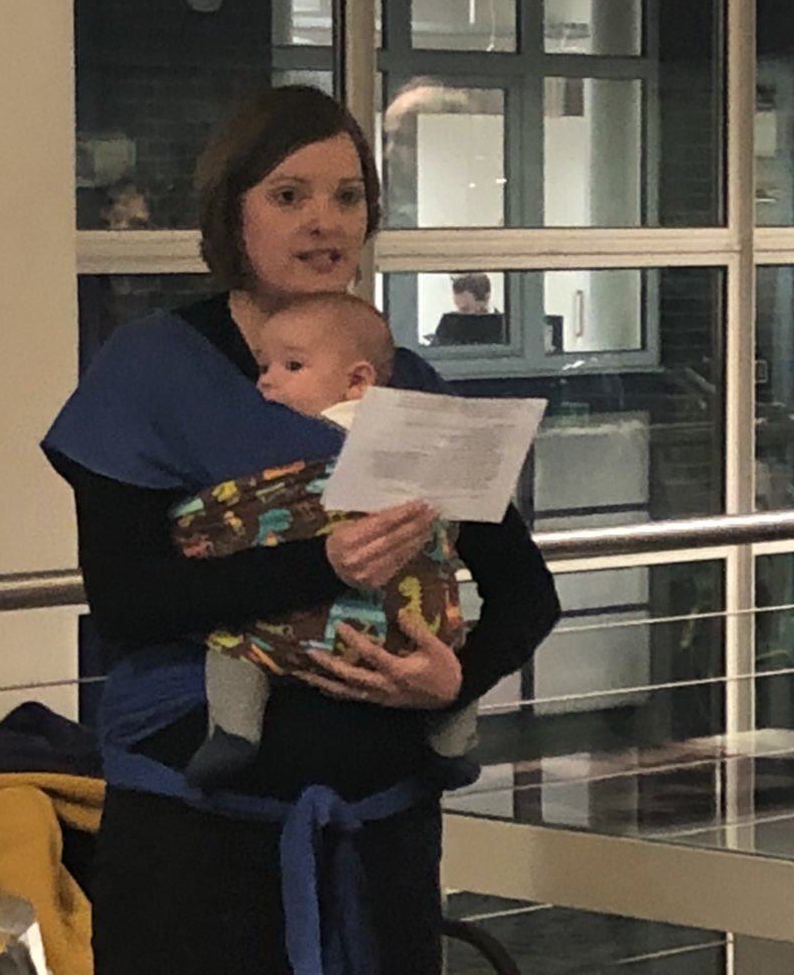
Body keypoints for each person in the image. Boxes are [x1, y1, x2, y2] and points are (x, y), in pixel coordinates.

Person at [42, 84, 560, 975]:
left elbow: (525, 592)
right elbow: (129, 602)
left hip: (382, 844)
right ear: (232, 214)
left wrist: (454, 681)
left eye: (347, 196)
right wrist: (324, 565)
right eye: (289, 195)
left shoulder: (402, 386)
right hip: (194, 847)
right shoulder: (152, 372)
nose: (325, 221)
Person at [178, 291, 476, 791]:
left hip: (303, 629)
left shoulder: (273, 442)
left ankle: (234, 730)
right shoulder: (415, 438)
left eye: (292, 366)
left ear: (357, 381)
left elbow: (239, 507)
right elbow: (454, 517)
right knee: (453, 639)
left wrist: (192, 533)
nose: (266, 380)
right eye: (264, 366)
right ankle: (454, 742)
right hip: (408, 623)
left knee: (232, 647)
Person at [434, 273, 504, 345]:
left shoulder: (505, 326)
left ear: (486, 298)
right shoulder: (448, 325)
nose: (460, 313)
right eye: (458, 307)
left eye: (465, 309)